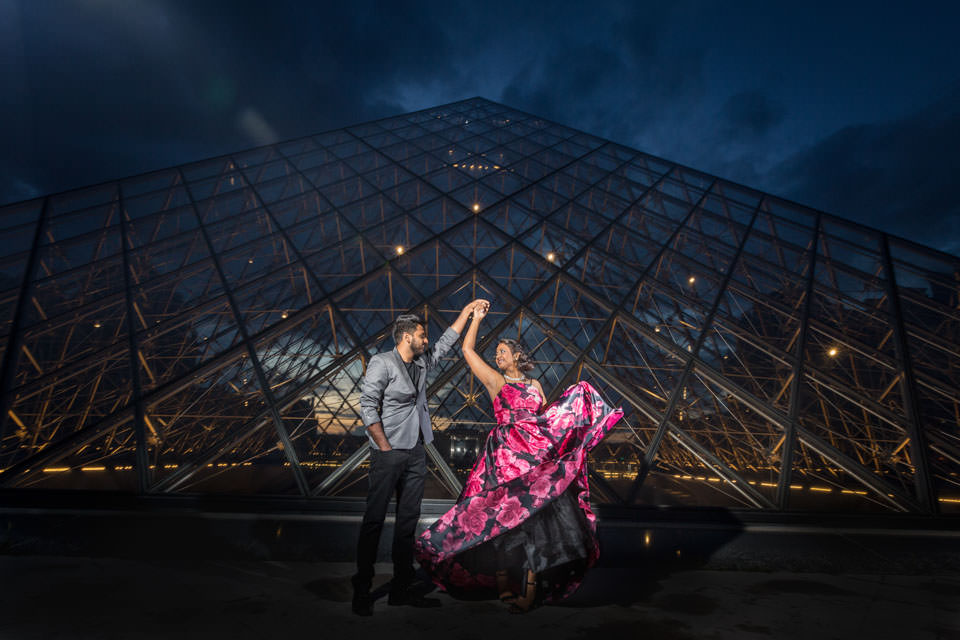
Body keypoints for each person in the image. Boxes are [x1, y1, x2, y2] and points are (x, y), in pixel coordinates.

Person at [415, 300, 624, 612]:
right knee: (501, 526)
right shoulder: (495, 381)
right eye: (496, 352)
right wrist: (475, 319)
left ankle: (527, 591)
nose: (497, 356)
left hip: (535, 462)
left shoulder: (535, 384)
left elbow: (544, 421)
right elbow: (469, 352)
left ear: (516, 356)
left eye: (502, 351)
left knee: (532, 527)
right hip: (503, 461)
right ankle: (505, 590)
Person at [352, 299, 486, 616]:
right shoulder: (381, 362)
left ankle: (401, 590)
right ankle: (362, 590)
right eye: (422, 335)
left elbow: (444, 344)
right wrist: (384, 446)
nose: (426, 340)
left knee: (407, 524)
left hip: (415, 451)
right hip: (387, 453)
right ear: (407, 336)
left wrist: (466, 313)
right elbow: (368, 405)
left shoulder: (423, 362)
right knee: (373, 522)